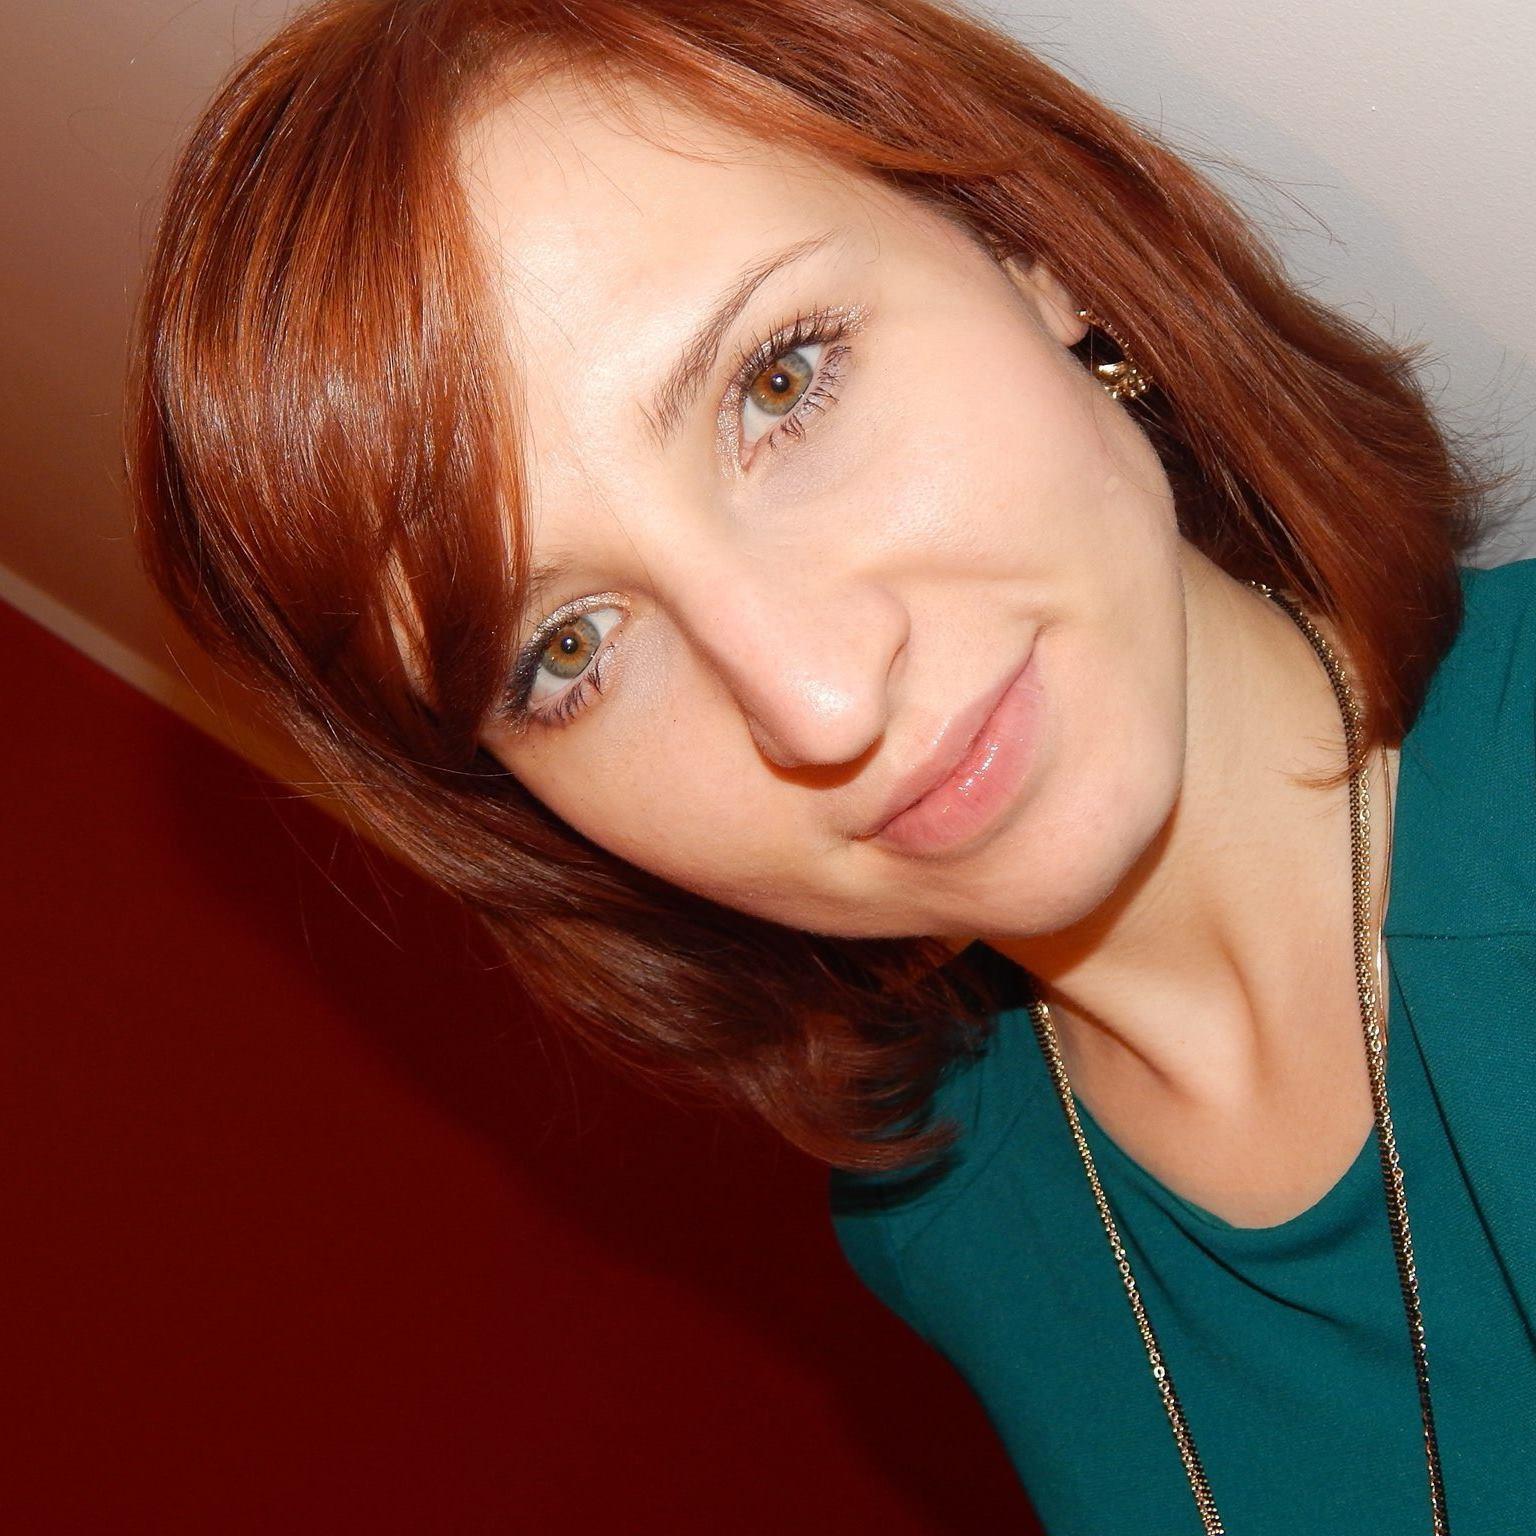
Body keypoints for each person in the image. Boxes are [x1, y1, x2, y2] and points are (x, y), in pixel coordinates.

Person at [125, 0, 1535, 1529]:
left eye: (781, 383)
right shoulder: (941, 1212)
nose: (816, 701)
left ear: (1030, 249)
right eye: (568, 651)